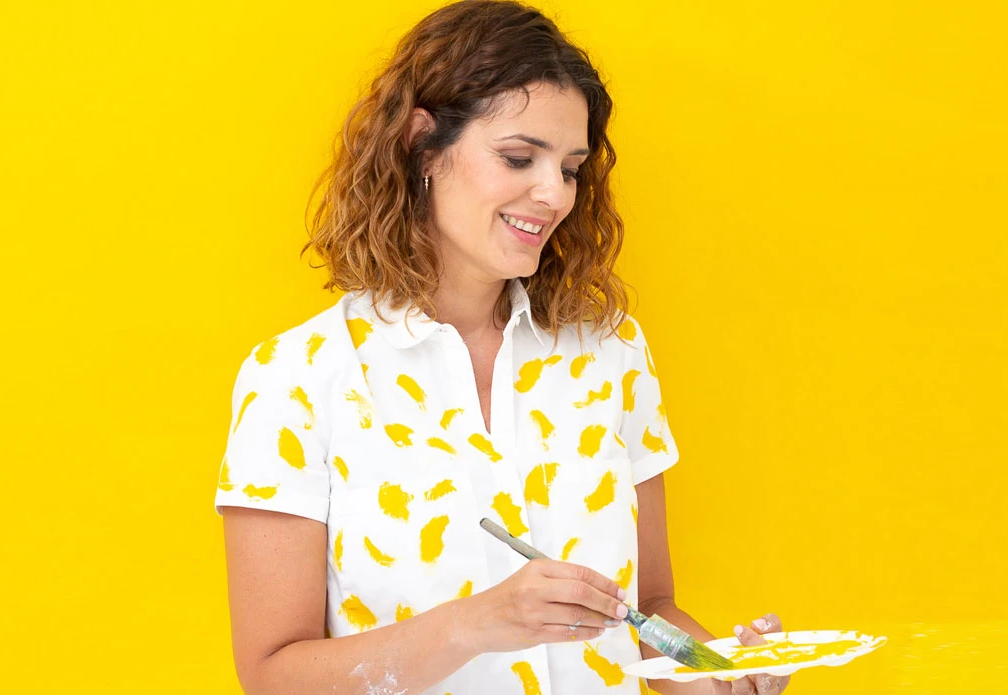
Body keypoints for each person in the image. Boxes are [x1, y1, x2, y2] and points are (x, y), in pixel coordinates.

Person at [213, 2, 788, 693]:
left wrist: (717, 675)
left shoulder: (611, 353)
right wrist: (475, 623)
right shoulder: (298, 378)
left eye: (571, 169)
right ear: (423, 146)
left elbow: (649, 611)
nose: (554, 195)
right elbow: (272, 676)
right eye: (519, 157)